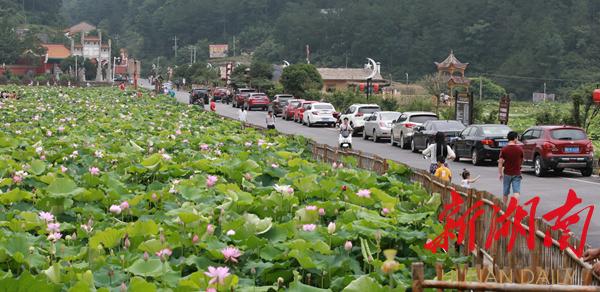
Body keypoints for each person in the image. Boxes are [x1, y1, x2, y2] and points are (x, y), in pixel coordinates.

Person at [498, 131, 523, 205]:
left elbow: (500, 162)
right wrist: (519, 167)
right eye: (517, 138)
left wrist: (500, 173)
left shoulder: (504, 149)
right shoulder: (519, 149)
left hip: (507, 173)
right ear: (515, 138)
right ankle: (514, 207)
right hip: (517, 173)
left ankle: (504, 208)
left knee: (505, 192)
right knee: (516, 192)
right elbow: (522, 160)